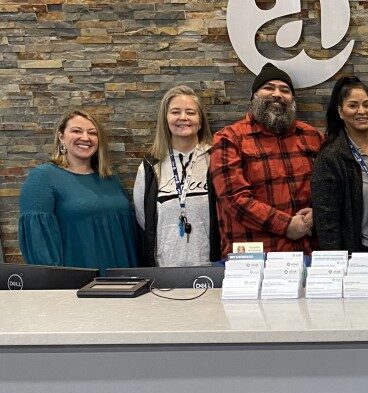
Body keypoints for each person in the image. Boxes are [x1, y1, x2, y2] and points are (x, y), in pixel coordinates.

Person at [210, 63, 323, 255]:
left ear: (293, 100)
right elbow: (234, 199)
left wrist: (317, 214)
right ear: (253, 97)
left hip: (308, 253)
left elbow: (329, 189)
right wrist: (286, 225)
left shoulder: (313, 137)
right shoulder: (229, 139)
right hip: (254, 259)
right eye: (268, 88)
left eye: (285, 90)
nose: (277, 94)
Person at [18, 110, 138, 271]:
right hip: (76, 284)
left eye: (92, 133)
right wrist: (56, 285)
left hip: (123, 277)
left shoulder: (110, 179)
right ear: (61, 137)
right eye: (76, 131)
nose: (85, 138)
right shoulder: (43, 178)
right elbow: (39, 243)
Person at [312, 76, 368, 253]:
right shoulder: (331, 157)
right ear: (340, 112)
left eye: (367, 105)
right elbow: (326, 220)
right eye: (353, 105)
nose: (362, 111)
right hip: (359, 251)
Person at [133, 86, 220, 267]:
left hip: (210, 266)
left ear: (201, 120)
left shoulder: (216, 158)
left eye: (190, 112)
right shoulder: (150, 166)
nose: (183, 118)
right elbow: (144, 219)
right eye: (175, 112)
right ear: (165, 119)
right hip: (165, 268)